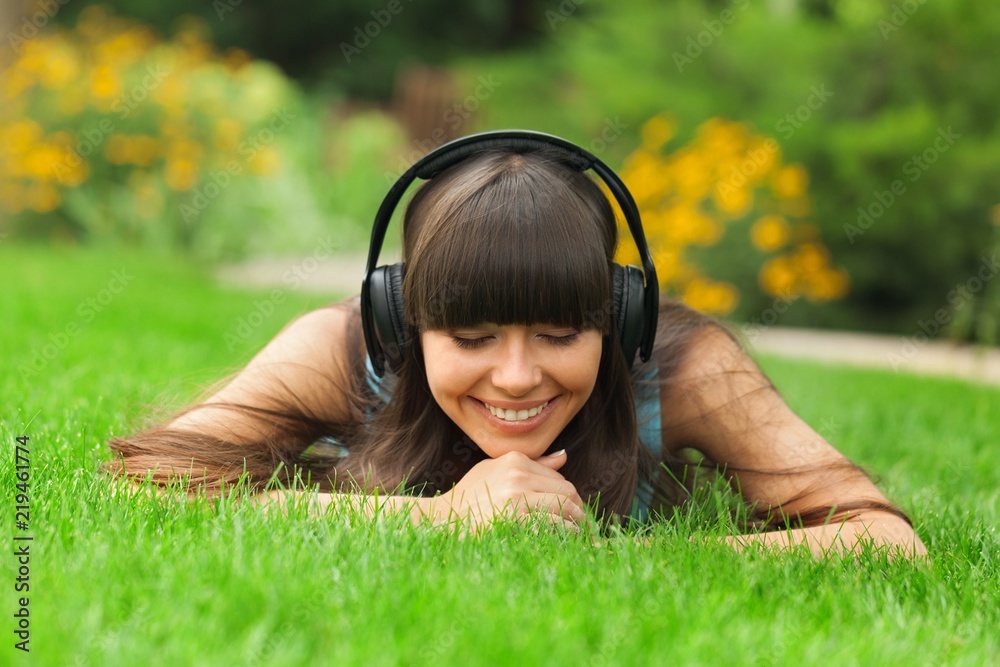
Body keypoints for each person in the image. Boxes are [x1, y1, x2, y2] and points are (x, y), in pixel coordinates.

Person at [106, 132, 926, 558]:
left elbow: (885, 539)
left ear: (620, 317)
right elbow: (139, 493)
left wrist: (627, 565)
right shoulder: (339, 348)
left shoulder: (684, 368)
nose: (517, 375)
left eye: (562, 333)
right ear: (403, 320)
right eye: (469, 335)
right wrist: (438, 521)